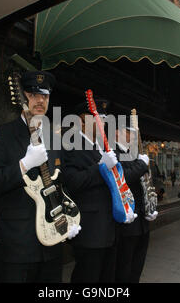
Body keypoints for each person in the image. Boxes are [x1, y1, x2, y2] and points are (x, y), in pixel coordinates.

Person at [0, 71, 73, 283]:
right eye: (32, 94)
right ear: (22, 97)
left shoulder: (55, 138)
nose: (40, 100)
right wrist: (23, 165)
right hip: (16, 245)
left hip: (52, 243)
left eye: (45, 95)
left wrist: (69, 214)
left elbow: (62, 184)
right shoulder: (1, 135)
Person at [61, 99, 120, 283]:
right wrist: (100, 167)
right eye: (97, 117)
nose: (102, 121)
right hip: (89, 228)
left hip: (108, 226)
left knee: (106, 276)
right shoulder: (71, 144)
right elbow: (72, 181)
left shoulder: (100, 146)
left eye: (103, 117)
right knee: (88, 276)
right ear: (82, 120)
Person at [113, 123, 156, 283]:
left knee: (138, 265)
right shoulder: (113, 153)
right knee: (124, 267)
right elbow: (123, 179)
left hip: (142, 221)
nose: (133, 135)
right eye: (128, 131)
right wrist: (142, 164)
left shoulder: (134, 154)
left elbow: (147, 180)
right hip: (127, 224)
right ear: (116, 133)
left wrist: (150, 207)